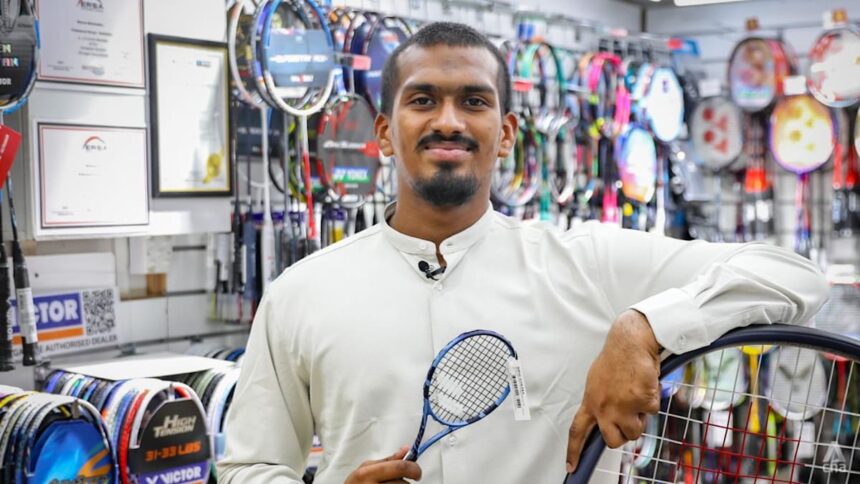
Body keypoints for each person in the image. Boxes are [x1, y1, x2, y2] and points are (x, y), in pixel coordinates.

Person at [217, 22, 829, 484]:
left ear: (506, 134)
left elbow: (795, 276)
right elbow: (249, 467)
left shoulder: (589, 263)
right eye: (423, 100)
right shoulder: (300, 293)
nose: (449, 121)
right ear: (384, 133)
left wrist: (644, 328)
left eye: (474, 101)